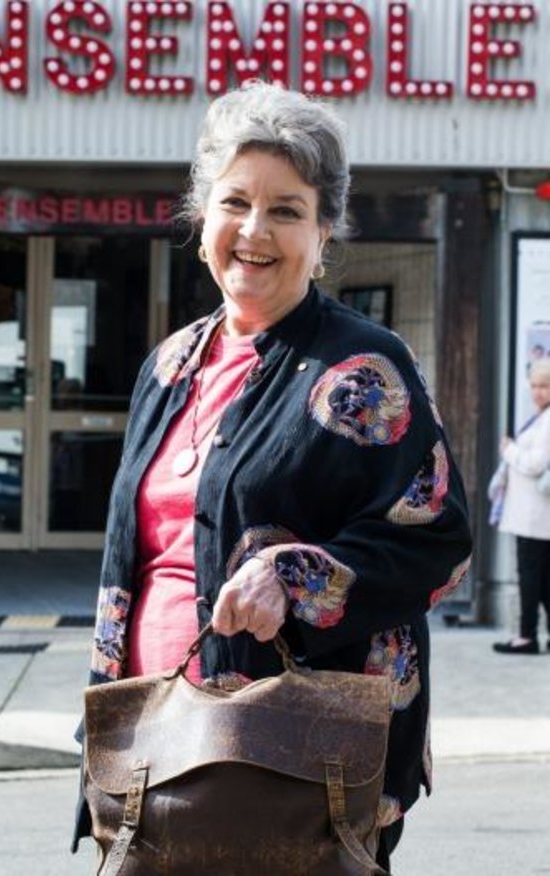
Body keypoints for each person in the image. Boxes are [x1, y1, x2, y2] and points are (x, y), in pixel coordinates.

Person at [73, 82, 472, 871]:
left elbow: (440, 542)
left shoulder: (364, 368)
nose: (255, 231)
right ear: (202, 220)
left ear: (324, 233)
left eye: (287, 210)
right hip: (157, 746)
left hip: (295, 772)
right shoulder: (169, 364)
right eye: (235, 203)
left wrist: (295, 576)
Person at [492, 358, 550, 655]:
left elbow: (536, 463)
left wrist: (510, 450)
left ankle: (527, 637)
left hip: (534, 516)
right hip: (535, 516)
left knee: (530, 577)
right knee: (542, 579)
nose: (538, 391)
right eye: (535, 385)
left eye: (545, 386)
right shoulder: (541, 417)